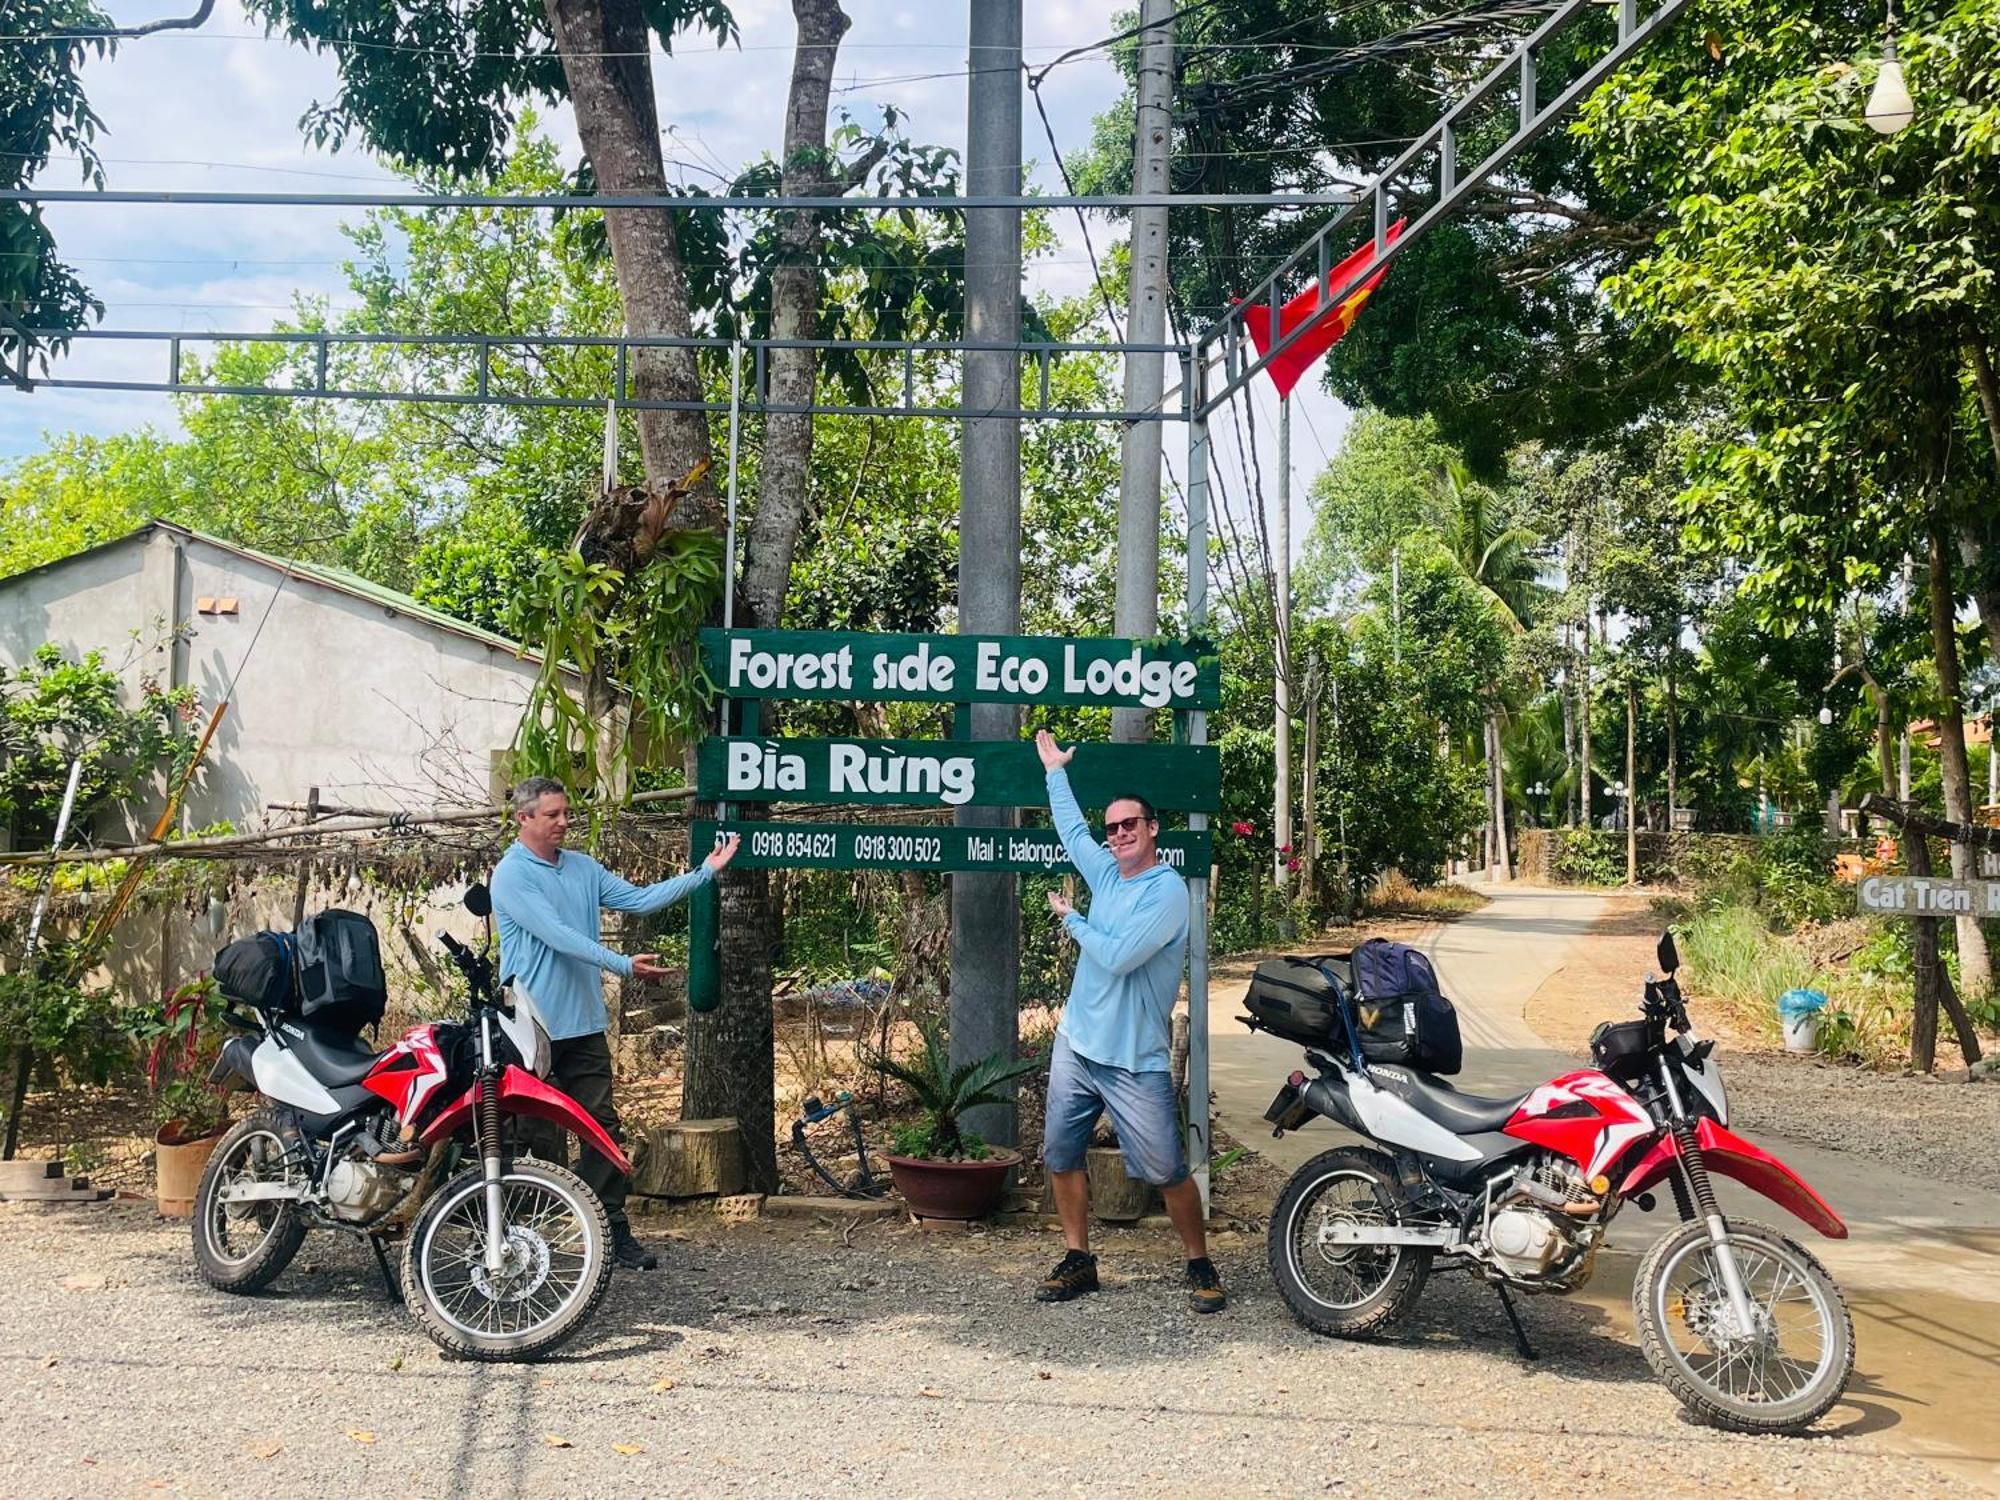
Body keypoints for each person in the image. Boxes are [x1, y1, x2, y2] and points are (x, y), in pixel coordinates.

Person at [490, 776, 739, 1271]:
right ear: (524, 819)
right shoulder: (512, 875)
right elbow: (559, 936)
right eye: (553, 815)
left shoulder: (583, 868)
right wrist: (623, 964)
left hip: (582, 1024)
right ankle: (524, 1241)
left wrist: (704, 873)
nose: (564, 822)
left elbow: (640, 899)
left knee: (601, 1131)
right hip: (528, 1029)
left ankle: (611, 1233)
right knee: (535, 1136)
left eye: (566, 813)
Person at [1031, 729, 1224, 1314]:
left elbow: (1115, 957)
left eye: (1128, 826)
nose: (1117, 835)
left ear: (1152, 829)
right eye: (1112, 827)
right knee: (1061, 1156)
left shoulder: (1166, 895)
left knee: (1166, 1170)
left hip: (1133, 1059)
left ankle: (1199, 1262)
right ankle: (1078, 1258)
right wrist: (1054, 772)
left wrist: (1072, 920)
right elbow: (1070, 831)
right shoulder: (1108, 872)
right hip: (1077, 1046)